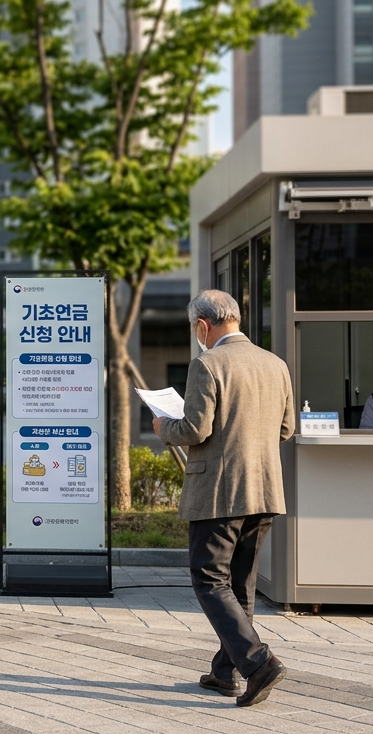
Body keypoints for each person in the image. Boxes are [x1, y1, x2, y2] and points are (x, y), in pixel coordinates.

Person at [153, 290, 295, 707]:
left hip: (219, 491)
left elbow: (195, 430)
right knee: (240, 584)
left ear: (203, 326)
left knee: (210, 580)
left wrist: (164, 425)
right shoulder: (276, 364)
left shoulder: (207, 364)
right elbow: (286, 429)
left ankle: (259, 664)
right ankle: (225, 672)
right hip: (265, 489)